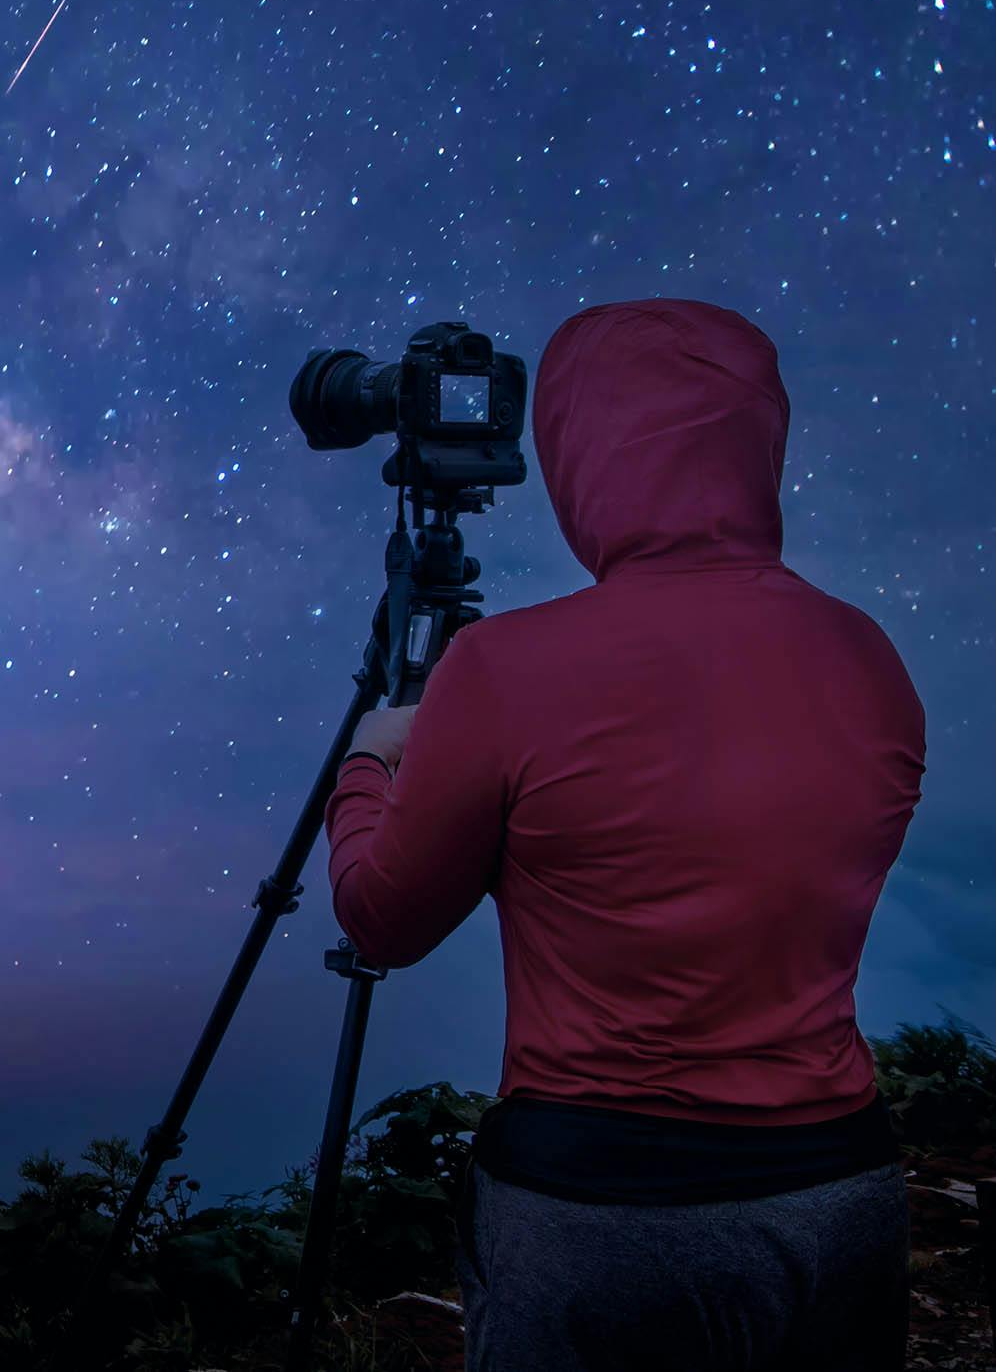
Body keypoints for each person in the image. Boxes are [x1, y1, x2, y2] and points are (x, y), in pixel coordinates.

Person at [320, 298, 926, 1372]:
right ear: (757, 439)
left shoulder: (505, 669)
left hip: (600, 1213)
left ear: (573, 452)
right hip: (839, 1193)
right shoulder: (867, 656)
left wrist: (370, 759)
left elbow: (380, 917)